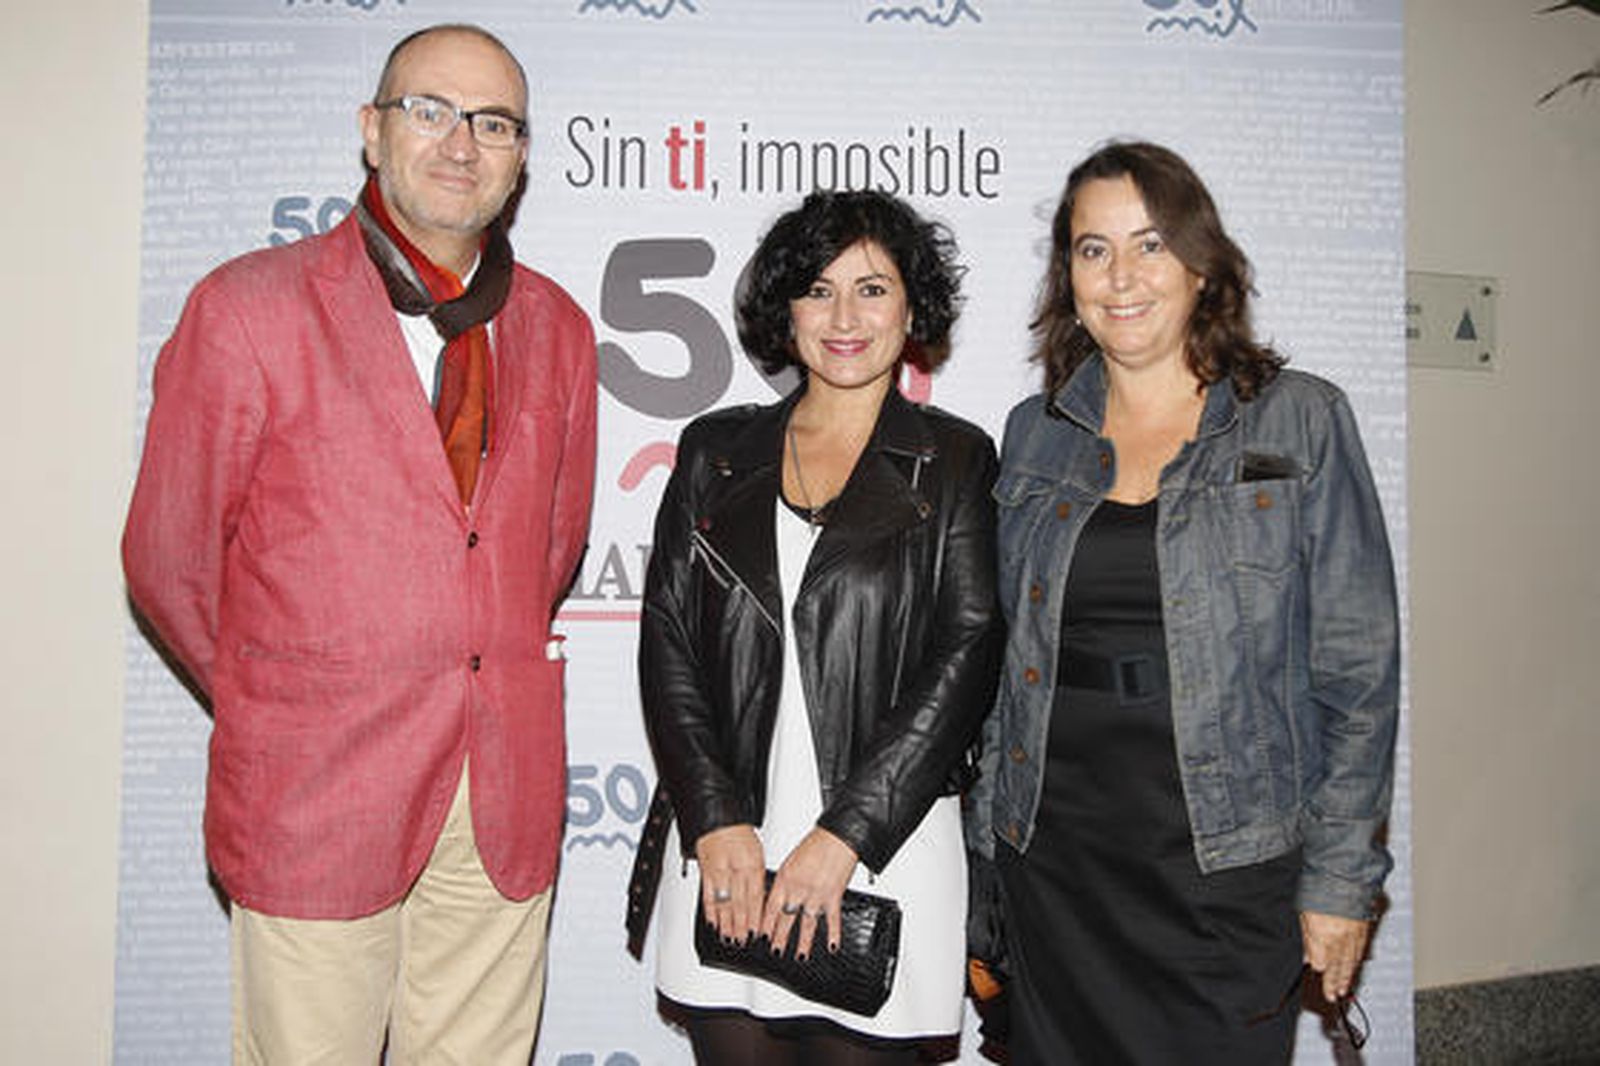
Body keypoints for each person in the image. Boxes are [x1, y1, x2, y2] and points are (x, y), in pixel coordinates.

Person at [122, 24, 596, 1064]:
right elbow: (169, 558)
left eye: (495, 123)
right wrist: (287, 694)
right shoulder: (248, 307)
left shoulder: (558, 327)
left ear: (520, 158)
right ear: (371, 131)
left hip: (500, 789)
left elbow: (548, 551)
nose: (461, 143)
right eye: (430, 111)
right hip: (314, 790)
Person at [966, 140, 1400, 1064]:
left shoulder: (1300, 419)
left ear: (1202, 265)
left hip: (1224, 867)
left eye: (1151, 244)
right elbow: (1003, 665)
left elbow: (1359, 675)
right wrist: (985, 855)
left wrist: (1340, 878)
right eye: (1093, 249)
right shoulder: (1035, 435)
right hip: (1056, 860)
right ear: (1068, 275)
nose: (1121, 276)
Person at [624, 190, 1003, 1065]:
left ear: (911, 308)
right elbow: (668, 641)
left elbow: (967, 654)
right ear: (784, 311)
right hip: (726, 849)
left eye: (872, 289)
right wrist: (714, 818)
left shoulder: (955, 460)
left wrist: (845, 837)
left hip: (886, 847)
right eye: (817, 290)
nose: (844, 318)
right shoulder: (715, 453)